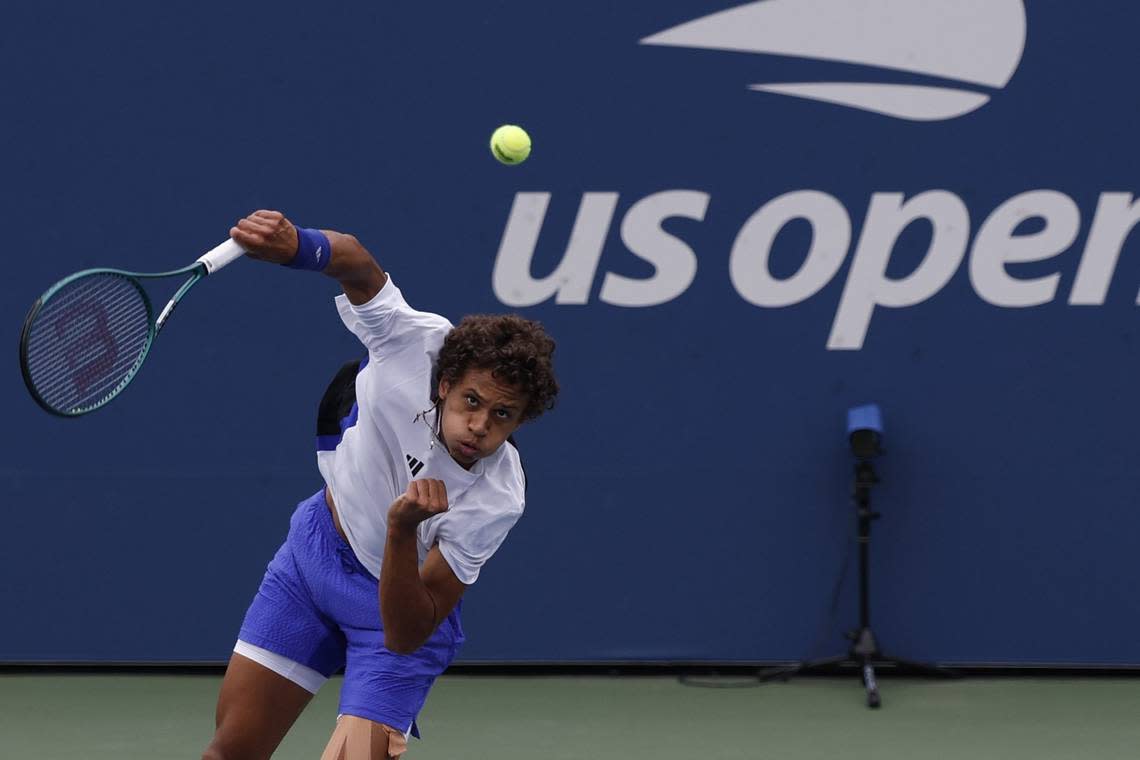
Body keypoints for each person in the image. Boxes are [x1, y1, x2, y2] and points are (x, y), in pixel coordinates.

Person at [202, 210, 559, 760]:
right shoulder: (415, 343)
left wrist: (400, 532)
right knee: (231, 752)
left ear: (519, 423)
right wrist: (298, 245)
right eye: (471, 401)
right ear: (444, 383)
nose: (481, 425)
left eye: (503, 415)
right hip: (312, 560)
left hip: (395, 615)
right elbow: (358, 265)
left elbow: (406, 634)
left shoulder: (497, 497)